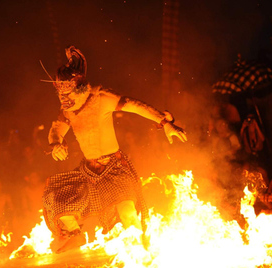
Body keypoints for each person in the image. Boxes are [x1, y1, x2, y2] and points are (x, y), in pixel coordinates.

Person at [42, 46, 187, 253]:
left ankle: (141, 255)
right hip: (88, 172)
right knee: (57, 200)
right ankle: (75, 236)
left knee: (127, 212)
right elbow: (56, 130)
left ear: (79, 87)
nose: (64, 99)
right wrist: (56, 143)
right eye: (61, 94)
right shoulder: (68, 110)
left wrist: (164, 122)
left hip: (114, 169)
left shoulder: (101, 98)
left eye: (68, 93)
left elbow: (134, 105)